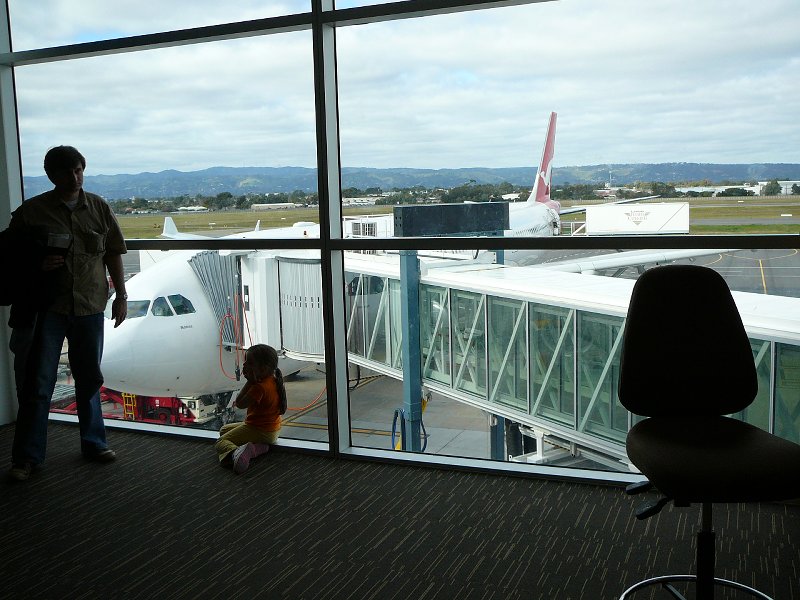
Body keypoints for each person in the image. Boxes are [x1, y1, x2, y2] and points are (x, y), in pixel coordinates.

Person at [6, 145, 128, 481]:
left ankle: (93, 442)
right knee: (38, 382)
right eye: (67, 172)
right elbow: (7, 257)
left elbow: (114, 252)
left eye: (78, 170)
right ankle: (27, 457)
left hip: (89, 306)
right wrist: (36, 264)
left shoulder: (99, 208)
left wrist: (121, 295)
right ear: (52, 176)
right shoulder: (32, 213)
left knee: (89, 378)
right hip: (47, 309)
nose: (75, 178)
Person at [215, 344, 287, 474]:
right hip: (272, 430)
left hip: (260, 430)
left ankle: (238, 454)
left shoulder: (259, 387)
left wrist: (250, 382)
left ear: (263, 369)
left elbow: (239, 403)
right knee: (223, 430)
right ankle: (258, 448)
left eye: (250, 362)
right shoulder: (273, 380)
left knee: (221, 441)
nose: (244, 365)